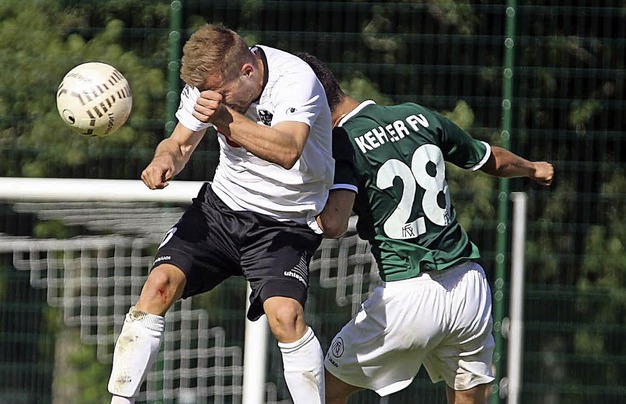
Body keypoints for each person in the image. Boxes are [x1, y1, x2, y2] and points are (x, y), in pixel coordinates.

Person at [298, 52, 554, 404]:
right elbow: (488, 158)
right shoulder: (416, 115)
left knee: (319, 392)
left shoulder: (342, 143)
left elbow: (335, 224)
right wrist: (532, 168)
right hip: (470, 288)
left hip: (408, 294)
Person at [108, 25, 334, 404]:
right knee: (158, 285)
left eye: (222, 92)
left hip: (284, 223)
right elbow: (179, 143)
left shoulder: (296, 79)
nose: (213, 100)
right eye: (207, 94)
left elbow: (287, 150)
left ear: (248, 71)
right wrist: (164, 159)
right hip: (221, 209)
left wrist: (224, 117)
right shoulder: (210, 88)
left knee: (285, 317)